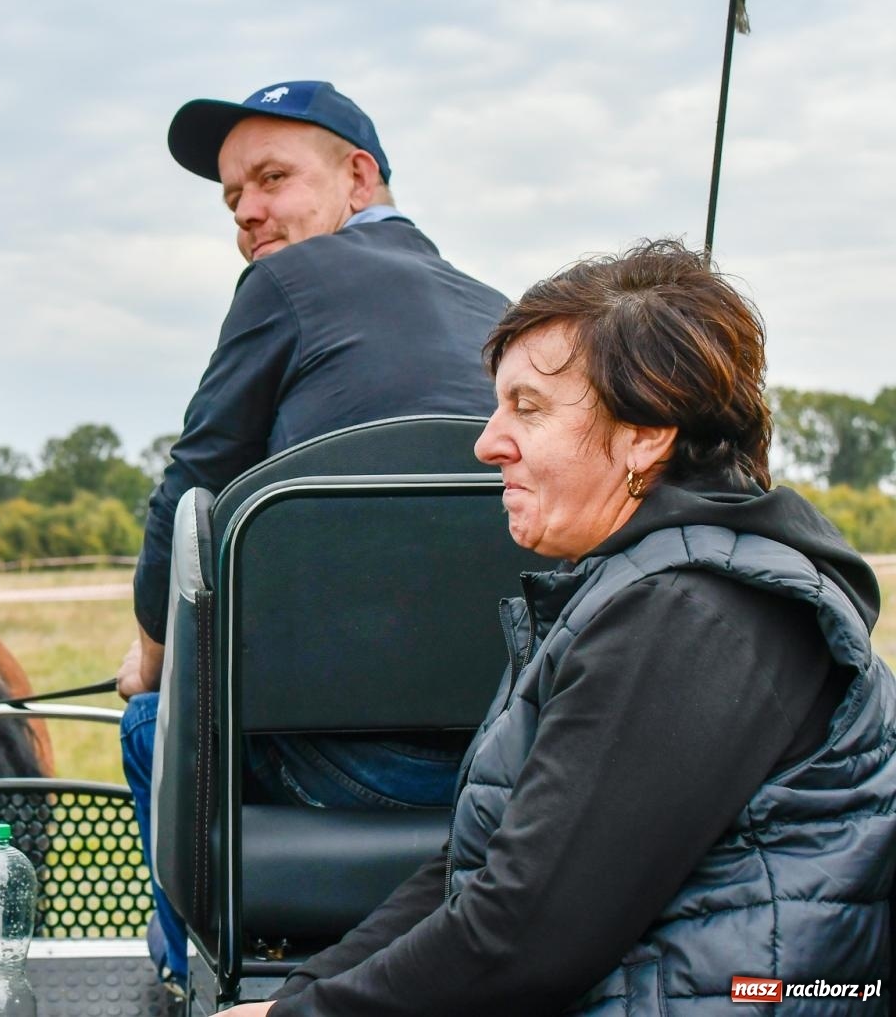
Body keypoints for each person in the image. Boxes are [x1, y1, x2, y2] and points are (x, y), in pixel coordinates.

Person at [223, 239, 896, 1015]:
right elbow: (469, 874)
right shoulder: (637, 590)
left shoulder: (693, 615)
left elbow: (523, 938)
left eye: (529, 408)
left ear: (647, 430)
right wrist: (295, 1000)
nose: (486, 443)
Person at [115, 79, 509, 987]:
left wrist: (152, 653)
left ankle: (193, 980)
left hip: (351, 772)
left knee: (148, 724)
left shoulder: (287, 280)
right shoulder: (503, 310)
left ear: (359, 177)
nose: (248, 213)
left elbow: (191, 492)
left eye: (271, 179)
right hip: (510, 762)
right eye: (230, 197)